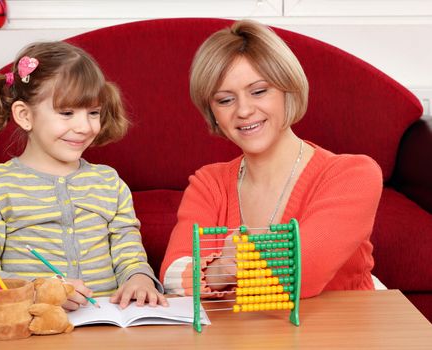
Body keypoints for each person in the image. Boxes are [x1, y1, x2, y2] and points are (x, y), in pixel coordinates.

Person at [160, 20, 383, 299]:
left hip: (346, 332)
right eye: (225, 100)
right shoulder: (209, 182)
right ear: (212, 112)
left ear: (288, 90)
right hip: (247, 338)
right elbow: (172, 275)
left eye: (259, 91)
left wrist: (225, 270)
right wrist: (221, 270)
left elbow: (302, 275)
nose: (243, 110)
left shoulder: (354, 175)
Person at [0, 41, 167, 310]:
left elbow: (129, 252)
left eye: (93, 112)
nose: (83, 126)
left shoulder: (108, 182)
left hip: (103, 326)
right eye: (67, 113)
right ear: (24, 115)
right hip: (31, 326)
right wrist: (37, 290)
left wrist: (140, 278)